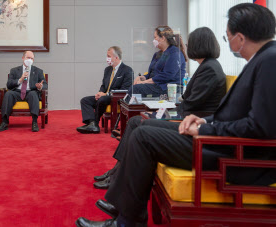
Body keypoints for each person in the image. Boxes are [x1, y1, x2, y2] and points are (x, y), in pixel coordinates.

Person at [76, 3, 276, 227]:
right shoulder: (263, 59)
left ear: (239, 37)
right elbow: (239, 117)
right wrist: (204, 121)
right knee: (141, 126)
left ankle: (126, 222)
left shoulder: (269, 61)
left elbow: (260, 127)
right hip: (221, 143)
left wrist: (205, 128)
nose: (227, 41)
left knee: (144, 137)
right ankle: (122, 206)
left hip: (234, 155)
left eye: (226, 35)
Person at [94, 26, 226, 190]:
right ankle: (116, 172)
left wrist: (160, 113)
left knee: (138, 122)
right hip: (184, 115)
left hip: (189, 122)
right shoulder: (206, 67)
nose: (186, 45)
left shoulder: (209, 69)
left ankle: (117, 176)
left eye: (190, 42)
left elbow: (189, 106)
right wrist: (159, 111)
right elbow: (187, 103)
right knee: (136, 120)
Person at [76, 46, 133, 134]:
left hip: (116, 98)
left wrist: (106, 95)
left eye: (109, 56)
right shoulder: (107, 69)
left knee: (102, 99)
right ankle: (91, 123)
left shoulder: (127, 70)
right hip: (105, 96)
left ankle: (94, 123)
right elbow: (103, 85)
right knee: (85, 100)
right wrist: (100, 92)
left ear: (116, 57)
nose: (107, 58)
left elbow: (125, 90)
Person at [0, 51, 47, 132]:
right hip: (17, 92)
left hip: (30, 92)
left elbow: (45, 85)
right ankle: (4, 122)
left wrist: (40, 86)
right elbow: (9, 84)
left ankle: (34, 122)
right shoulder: (14, 70)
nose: (30, 60)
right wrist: (20, 80)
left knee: (33, 94)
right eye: (28, 58)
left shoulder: (38, 71)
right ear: (23, 58)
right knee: (8, 94)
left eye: (32, 58)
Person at [129, 26, 187, 98]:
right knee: (134, 87)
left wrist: (144, 82)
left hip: (167, 88)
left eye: (155, 37)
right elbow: (152, 74)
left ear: (163, 38)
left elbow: (167, 75)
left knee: (135, 89)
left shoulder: (174, 53)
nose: (154, 40)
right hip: (157, 85)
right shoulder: (158, 54)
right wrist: (143, 77)